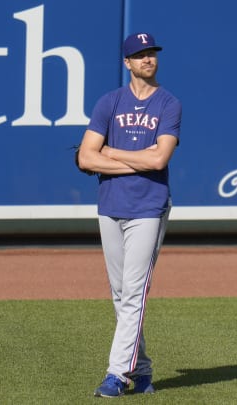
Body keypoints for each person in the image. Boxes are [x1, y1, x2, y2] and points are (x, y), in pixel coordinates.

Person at [77, 32, 181, 398]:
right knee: (121, 294)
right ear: (127, 63)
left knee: (134, 292)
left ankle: (117, 374)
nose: (148, 59)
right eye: (140, 55)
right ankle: (144, 369)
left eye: (151, 53)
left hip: (149, 207)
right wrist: (131, 159)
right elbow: (86, 157)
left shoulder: (169, 104)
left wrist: (113, 153)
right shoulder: (110, 102)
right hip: (110, 205)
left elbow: (159, 159)